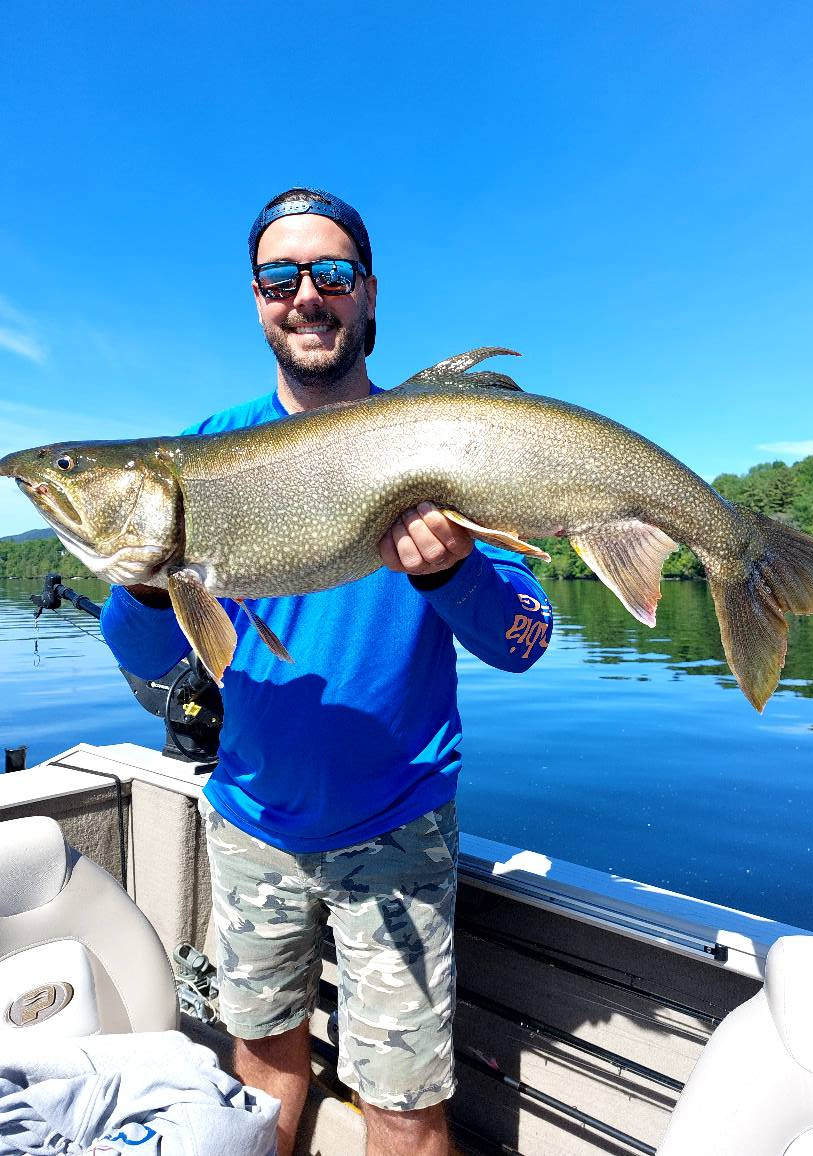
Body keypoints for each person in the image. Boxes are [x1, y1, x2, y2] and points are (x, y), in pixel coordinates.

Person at [100, 187, 553, 1156]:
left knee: (403, 1111)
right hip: (252, 824)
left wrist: (455, 573)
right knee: (259, 1070)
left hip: (397, 830)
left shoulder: (443, 437)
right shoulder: (210, 449)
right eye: (280, 275)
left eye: (332, 272)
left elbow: (526, 638)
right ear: (258, 298)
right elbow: (146, 651)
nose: (307, 293)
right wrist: (145, 589)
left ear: (369, 293)